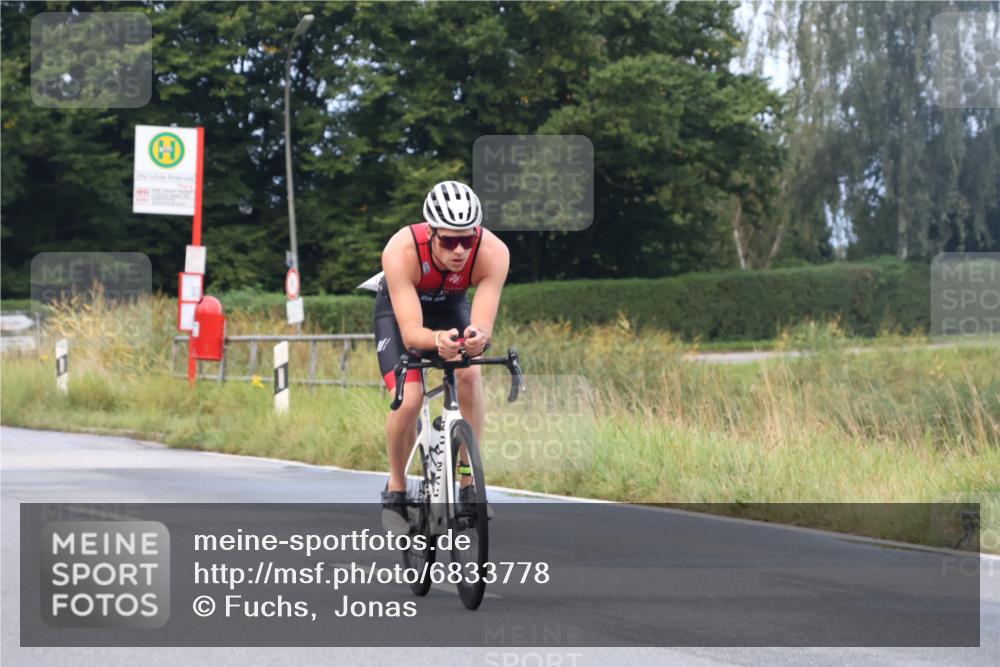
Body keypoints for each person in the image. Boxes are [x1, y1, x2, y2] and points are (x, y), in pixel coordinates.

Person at [373, 180, 509, 532]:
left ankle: (468, 485)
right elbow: (411, 333)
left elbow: (482, 322)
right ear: (431, 233)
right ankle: (396, 491)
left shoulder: (493, 252)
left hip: (451, 308)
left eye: (467, 239)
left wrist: (477, 337)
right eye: (449, 241)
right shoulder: (401, 251)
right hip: (402, 315)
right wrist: (436, 340)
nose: (460, 250)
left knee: (470, 375)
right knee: (409, 400)